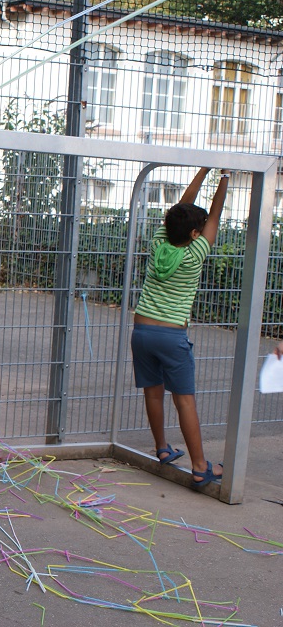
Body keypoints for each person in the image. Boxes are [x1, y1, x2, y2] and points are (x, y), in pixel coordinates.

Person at [131, 167, 229, 489]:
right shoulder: (195, 254)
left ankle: (162, 448)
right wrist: (224, 177)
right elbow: (215, 214)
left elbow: (181, 209)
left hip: (142, 331)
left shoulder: (159, 242)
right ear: (194, 234)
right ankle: (201, 467)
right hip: (172, 335)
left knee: (153, 392)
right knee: (184, 400)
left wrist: (204, 169)